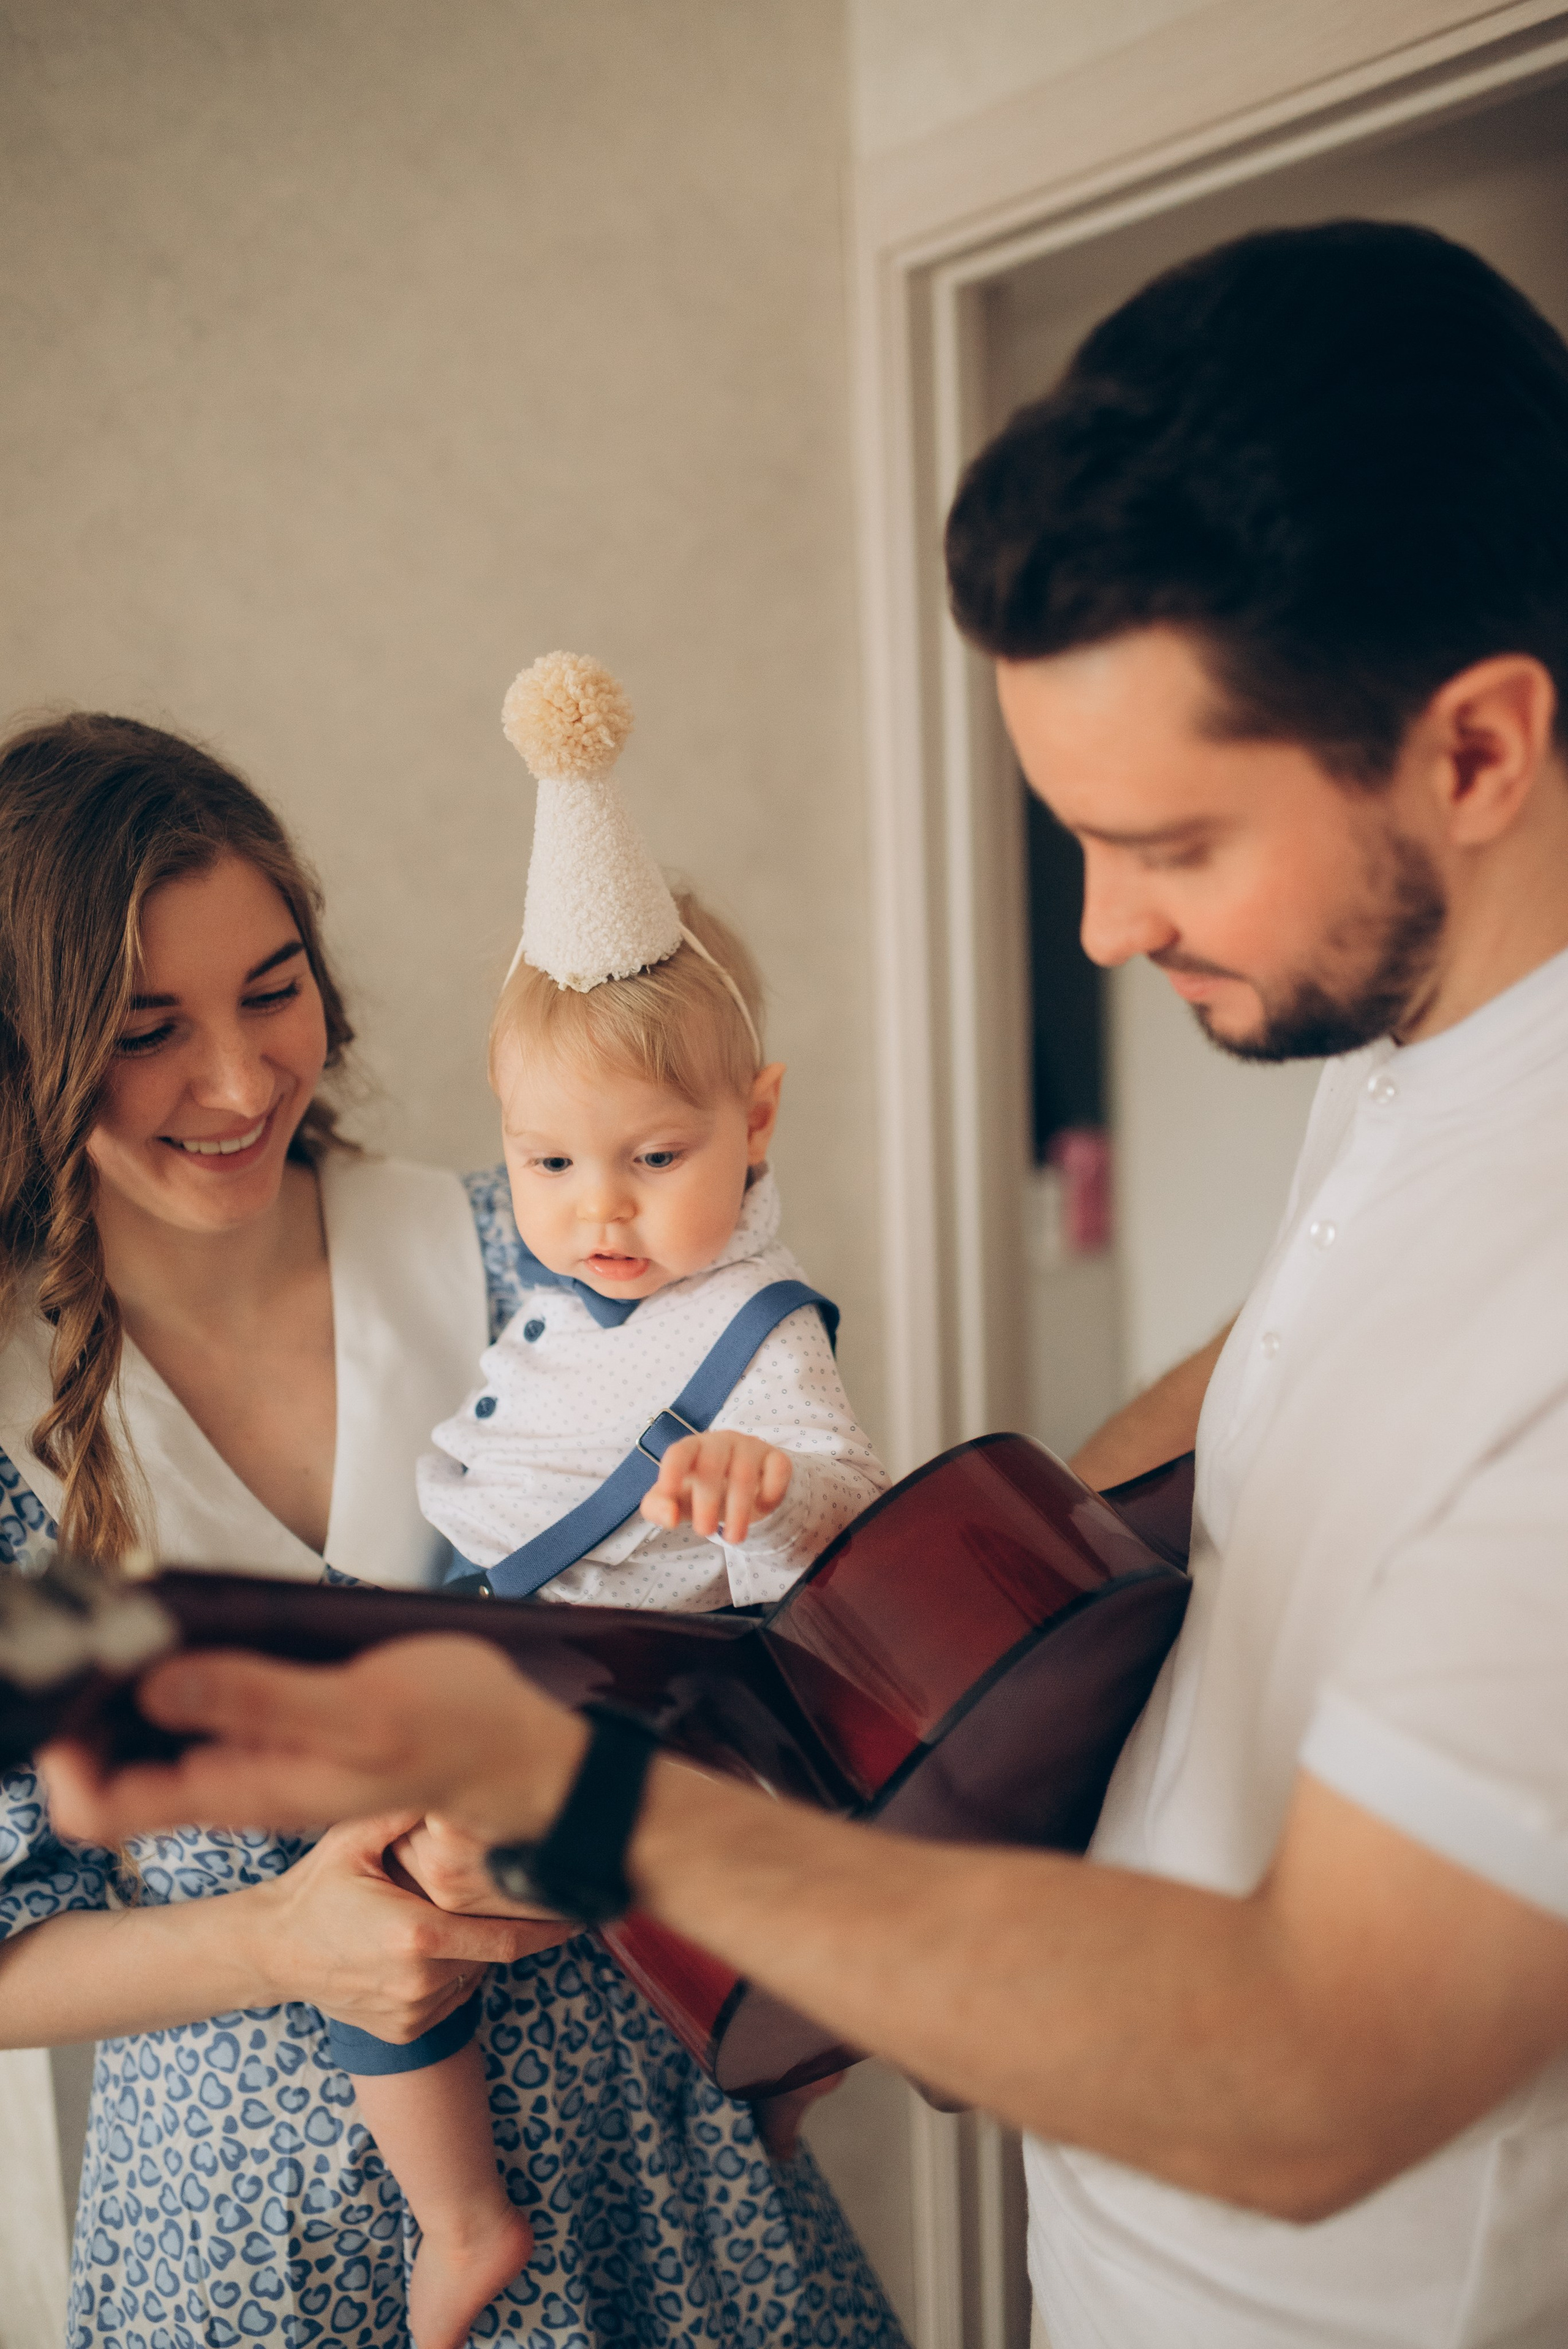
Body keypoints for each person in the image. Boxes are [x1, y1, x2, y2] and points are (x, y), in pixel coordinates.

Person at [52, 218, 1568, 2349]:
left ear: (1479, 753)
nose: (1108, 934)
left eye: (1174, 843)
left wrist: (577, 1788)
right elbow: (1291, 1385)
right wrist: (887, 1695)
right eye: (1077, 843)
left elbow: (1317, 2070)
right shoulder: (1427, 1055)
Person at [0, 712, 905, 2349]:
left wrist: (626, 1823)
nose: (237, 1078)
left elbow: (799, 1655)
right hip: (249, 2243)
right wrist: (286, 1936)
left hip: (659, 2180)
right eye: (147, 1029)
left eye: (273, 991)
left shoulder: (542, 1252)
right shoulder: (10, 1421)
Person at [332, 653, 888, 2349]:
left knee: (426, 1868)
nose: (602, 1211)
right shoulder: (564, 1294)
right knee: (370, 1874)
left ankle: (463, 2218)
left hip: (660, 1695)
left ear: (758, 1120)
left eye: (654, 1156)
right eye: (551, 1165)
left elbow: (851, 1508)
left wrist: (770, 1486)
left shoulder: (751, 1326)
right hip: (543, 1665)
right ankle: (478, 2190)